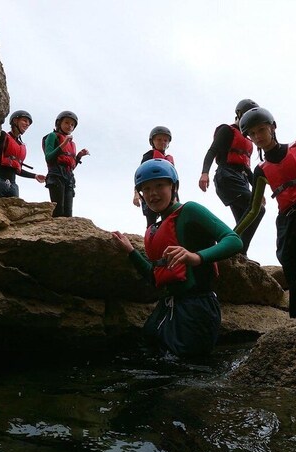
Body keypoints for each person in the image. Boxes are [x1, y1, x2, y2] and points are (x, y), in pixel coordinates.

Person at [112, 159, 243, 357]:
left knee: (184, 371)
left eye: (159, 185)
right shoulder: (153, 229)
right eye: (146, 189)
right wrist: (131, 252)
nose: (152, 193)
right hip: (167, 307)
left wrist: (196, 257)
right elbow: (155, 277)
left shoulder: (190, 211)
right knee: (147, 358)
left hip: (197, 307)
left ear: (174, 187)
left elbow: (234, 241)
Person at [236, 107, 296, 318]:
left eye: (261, 130)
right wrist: (233, 234)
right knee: (293, 278)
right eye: (252, 134)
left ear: (272, 127)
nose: (258, 136)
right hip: (287, 226)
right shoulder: (260, 170)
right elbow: (253, 209)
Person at [197, 99, 265, 255]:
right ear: (239, 115)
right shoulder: (227, 130)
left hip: (240, 179)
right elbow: (212, 151)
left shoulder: (247, 140)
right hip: (226, 175)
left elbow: (246, 168)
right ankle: (228, 247)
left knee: (245, 220)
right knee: (257, 210)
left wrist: (257, 190)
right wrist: (204, 173)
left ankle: (239, 254)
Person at [42, 110, 89, 217]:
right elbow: (49, 157)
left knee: (68, 213)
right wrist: (63, 144)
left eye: (72, 124)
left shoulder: (72, 143)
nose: (69, 126)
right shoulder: (52, 136)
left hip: (69, 177)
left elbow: (71, 166)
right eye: (67, 122)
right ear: (59, 123)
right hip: (56, 176)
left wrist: (78, 156)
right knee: (58, 211)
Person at [0, 110, 46, 197]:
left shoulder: (21, 145)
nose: (27, 124)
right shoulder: (3, 136)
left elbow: (16, 169)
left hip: (12, 185)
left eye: (29, 123)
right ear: (15, 121)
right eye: (25, 121)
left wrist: (35, 176)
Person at [133, 126, 175, 227]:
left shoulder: (169, 160)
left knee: (171, 219)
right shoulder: (148, 156)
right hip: (151, 192)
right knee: (151, 222)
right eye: (159, 139)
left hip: (166, 194)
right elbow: (140, 176)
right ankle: (150, 240)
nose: (163, 142)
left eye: (165, 140)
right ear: (152, 141)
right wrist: (136, 194)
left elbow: (173, 180)